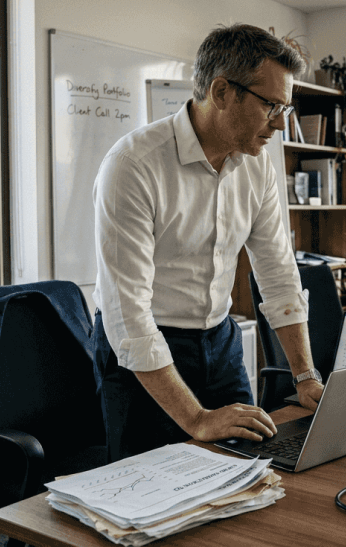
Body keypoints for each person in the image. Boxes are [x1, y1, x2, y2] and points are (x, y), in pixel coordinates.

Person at [92, 23, 324, 459]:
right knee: (152, 500)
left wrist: (306, 376)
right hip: (146, 353)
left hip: (219, 342)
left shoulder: (258, 166)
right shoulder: (133, 166)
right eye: (271, 105)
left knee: (249, 469)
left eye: (285, 109)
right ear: (221, 92)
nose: (279, 124)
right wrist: (197, 419)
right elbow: (129, 317)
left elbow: (278, 274)